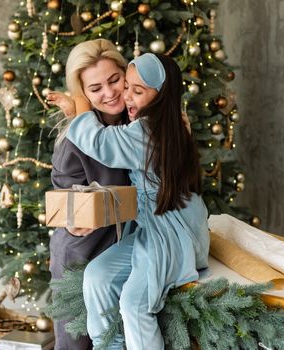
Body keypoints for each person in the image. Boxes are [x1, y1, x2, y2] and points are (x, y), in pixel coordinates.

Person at [63, 53, 210, 349]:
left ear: (161, 97)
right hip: (153, 230)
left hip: (174, 235)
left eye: (137, 91)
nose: (125, 96)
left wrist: (77, 112)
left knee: (134, 303)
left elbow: (100, 143)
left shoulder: (146, 132)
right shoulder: (168, 125)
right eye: (127, 86)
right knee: (97, 275)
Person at [48, 39, 132, 350]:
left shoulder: (139, 123)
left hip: (127, 252)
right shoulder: (75, 139)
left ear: (127, 74)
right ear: (83, 93)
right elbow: (63, 192)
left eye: (114, 80)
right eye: (96, 88)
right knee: (76, 344)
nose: (109, 93)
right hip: (81, 255)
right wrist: (72, 220)